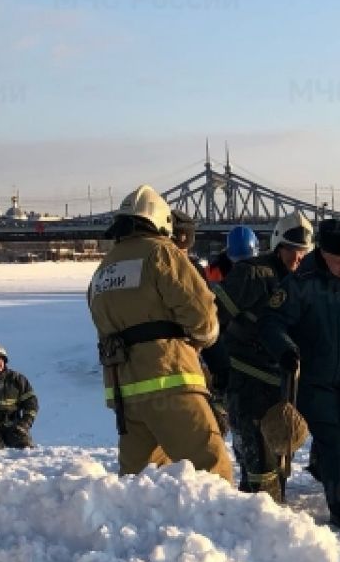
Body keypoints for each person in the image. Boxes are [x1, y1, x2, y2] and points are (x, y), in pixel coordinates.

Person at [87, 184, 233, 481]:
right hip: (171, 380)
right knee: (211, 471)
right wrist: (202, 341)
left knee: (141, 483)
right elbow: (203, 317)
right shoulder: (162, 253)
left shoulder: (103, 269)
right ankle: (218, 526)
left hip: (125, 392)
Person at [261, 218, 340, 529]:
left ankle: (324, 468)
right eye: (339, 262)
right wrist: (285, 350)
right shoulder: (300, 286)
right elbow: (272, 323)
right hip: (312, 379)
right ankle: (337, 503)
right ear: (323, 255)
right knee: (332, 440)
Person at [219, 210, 313, 503]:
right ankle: (260, 519)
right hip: (246, 381)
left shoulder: (306, 283)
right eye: (291, 252)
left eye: (302, 253)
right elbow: (214, 319)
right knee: (257, 459)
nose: (296, 259)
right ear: (278, 246)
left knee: (281, 455)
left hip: (282, 384)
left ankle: (268, 510)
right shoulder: (251, 273)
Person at [171, 209, 232, 438]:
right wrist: (221, 367)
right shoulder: (192, 270)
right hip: (186, 361)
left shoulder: (146, 267)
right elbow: (206, 324)